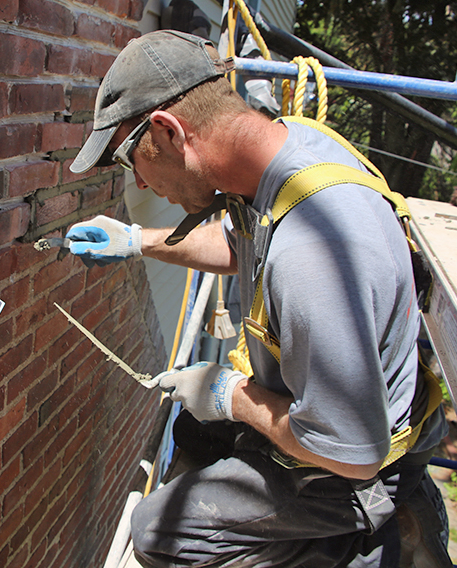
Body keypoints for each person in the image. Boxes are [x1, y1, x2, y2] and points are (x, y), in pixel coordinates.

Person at [66, 30, 451, 567]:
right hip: (343, 415)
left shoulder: (314, 254)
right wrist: (138, 241)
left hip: (364, 465)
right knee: (194, 433)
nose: (144, 186)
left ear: (169, 131)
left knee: (160, 533)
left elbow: (353, 454)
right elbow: (240, 243)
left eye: (132, 161)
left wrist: (232, 396)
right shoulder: (284, 149)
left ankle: (366, 543)